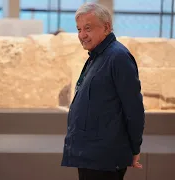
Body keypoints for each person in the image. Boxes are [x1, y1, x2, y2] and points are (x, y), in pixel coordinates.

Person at [61, 3, 145, 180]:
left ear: (106, 27)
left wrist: (134, 148)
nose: (82, 35)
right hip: (91, 156)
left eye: (88, 28)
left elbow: (134, 109)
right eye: (79, 29)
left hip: (104, 159)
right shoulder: (98, 56)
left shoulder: (118, 57)